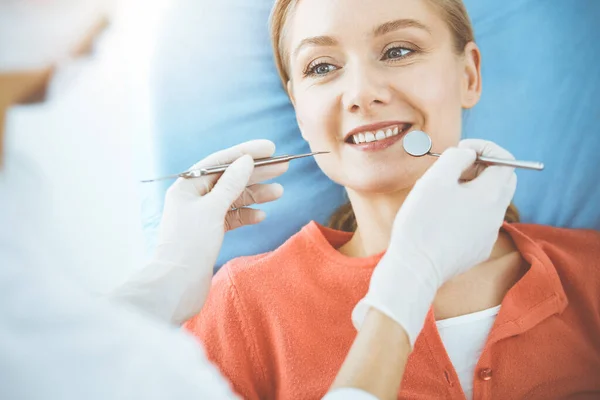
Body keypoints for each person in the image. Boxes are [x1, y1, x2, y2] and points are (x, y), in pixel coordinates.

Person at [186, 0, 600, 399]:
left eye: (398, 51)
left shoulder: (591, 272)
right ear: (299, 108)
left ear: (469, 76)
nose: (362, 94)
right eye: (323, 67)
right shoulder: (242, 306)